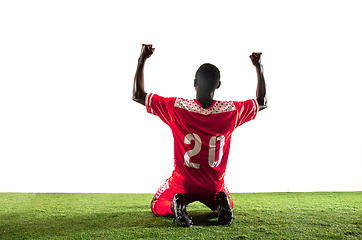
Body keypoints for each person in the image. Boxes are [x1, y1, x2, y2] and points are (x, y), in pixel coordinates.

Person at [132, 44, 267, 227]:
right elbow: (262, 102)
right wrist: (258, 66)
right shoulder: (231, 111)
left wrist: (143, 58)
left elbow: (138, 95)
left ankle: (175, 207)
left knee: (156, 204)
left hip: (183, 184)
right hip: (213, 185)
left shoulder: (177, 108)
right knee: (228, 199)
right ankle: (221, 205)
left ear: (194, 82)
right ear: (218, 85)